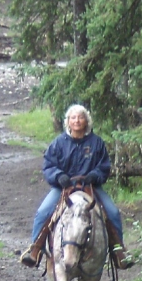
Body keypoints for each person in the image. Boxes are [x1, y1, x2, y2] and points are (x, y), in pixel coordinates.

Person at [20, 104, 133, 269]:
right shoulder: (59, 143)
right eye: (73, 118)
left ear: (86, 121)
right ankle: (35, 249)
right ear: (68, 121)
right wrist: (59, 176)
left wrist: (95, 175)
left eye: (80, 117)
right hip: (63, 187)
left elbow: (103, 166)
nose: (77, 121)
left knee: (113, 212)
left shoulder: (96, 143)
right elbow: (49, 165)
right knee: (43, 212)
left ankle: (119, 251)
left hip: (90, 187)